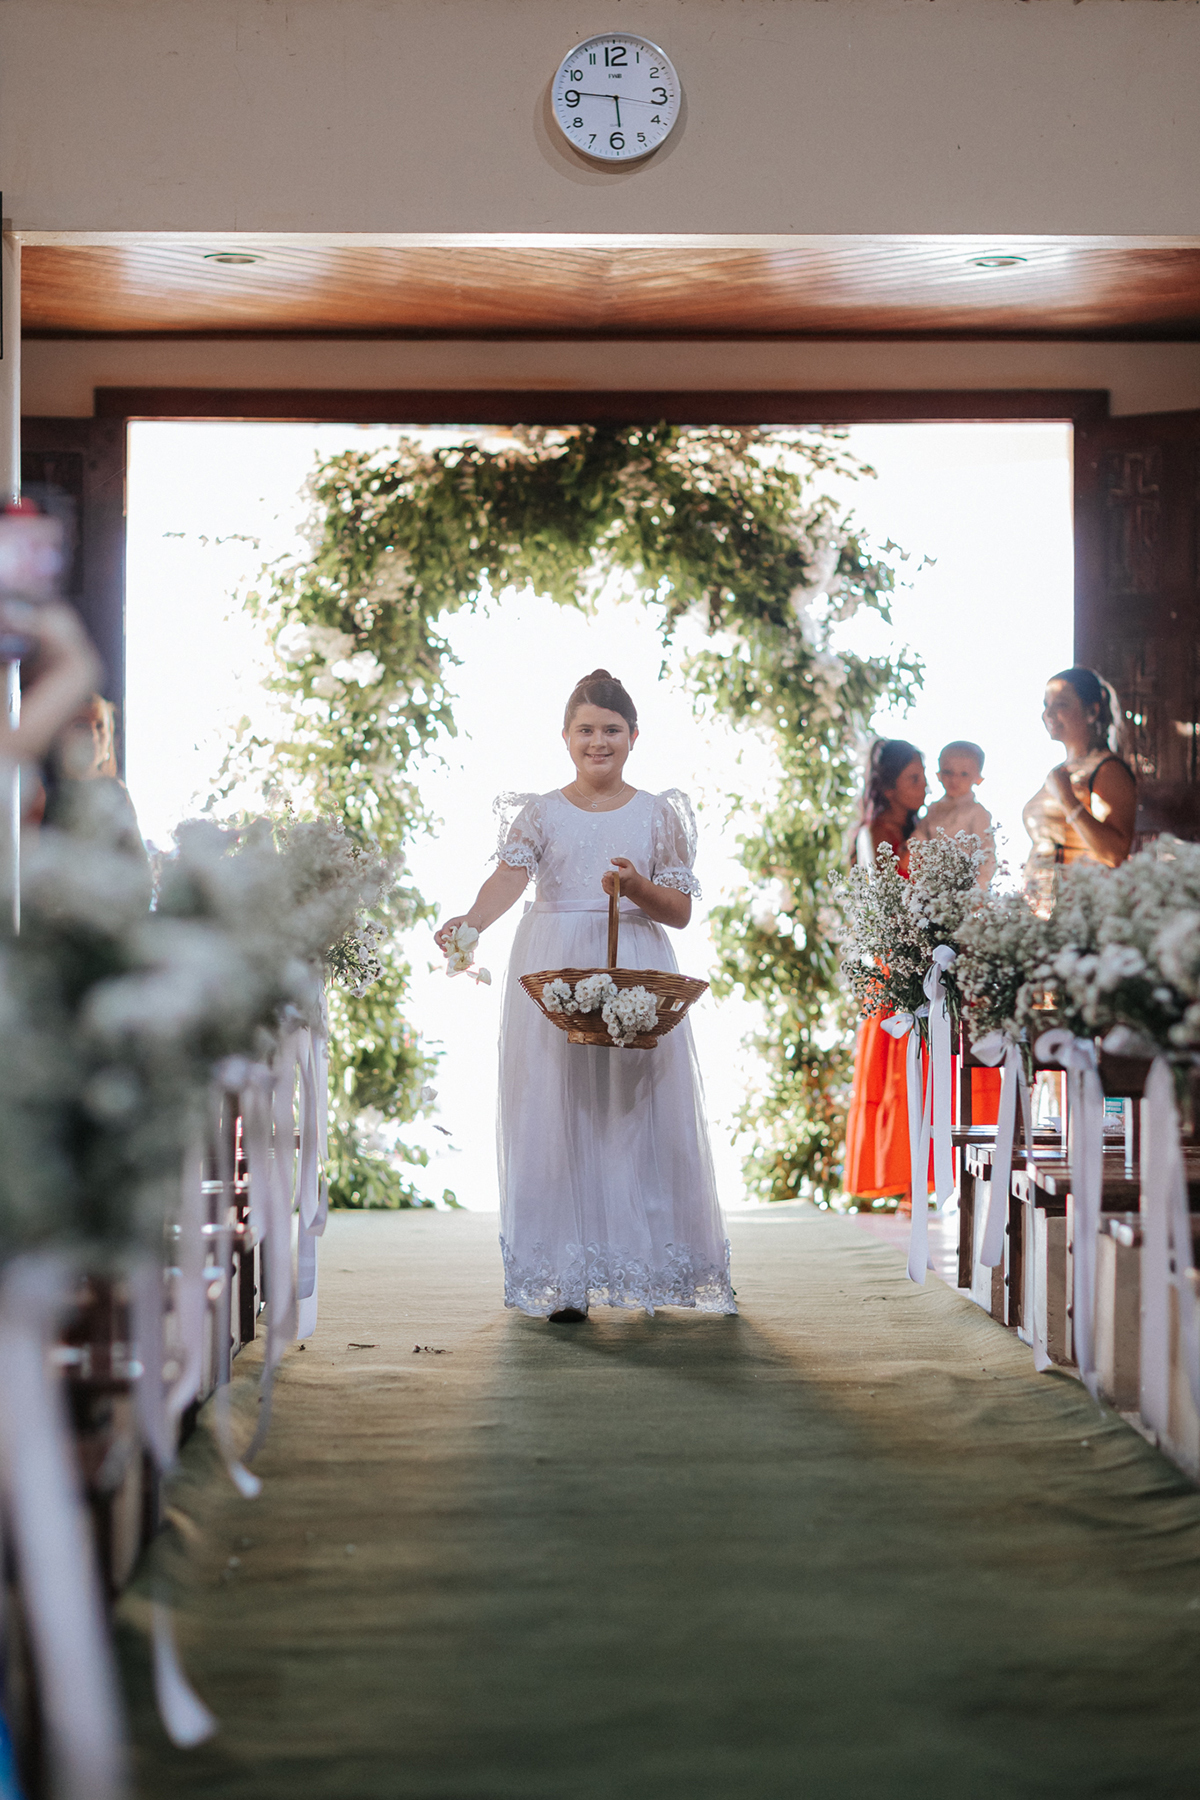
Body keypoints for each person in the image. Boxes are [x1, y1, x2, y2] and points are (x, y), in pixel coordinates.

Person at [434, 668, 735, 1324]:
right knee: (554, 1109)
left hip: (632, 962)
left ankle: (648, 1264)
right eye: (586, 730)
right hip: (556, 969)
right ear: (565, 736)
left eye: (612, 730)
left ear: (634, 736)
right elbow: (508, 879)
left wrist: (637, 887)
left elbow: (680, 911)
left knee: (634, 1112)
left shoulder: (657, 813)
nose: (599, 742)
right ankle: (565, 1275)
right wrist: (471, 923)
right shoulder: (541, 811)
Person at [843, 739, 926, 1210]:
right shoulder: (874, 832)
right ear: (889, 786)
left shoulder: (924, 828)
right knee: (897, 1068)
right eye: (914, 778)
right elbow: (883, 900)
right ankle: (902, 1178)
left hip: (926, 954)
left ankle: (926, 1178)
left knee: (927, 1065)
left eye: (923, 777)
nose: (924, 786)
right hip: (894, 959)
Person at [1022, 667, 1136, 915]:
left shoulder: (1107, 769)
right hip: (1039, 912)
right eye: (1046, 705)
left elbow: (1114, 854)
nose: (1048, 713)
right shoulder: (1060, 772)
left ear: (1092, 711)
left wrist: (1067, 798)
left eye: (1061, 704)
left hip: (1077, 912)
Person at [913, 739, 996, 885]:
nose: (954, 779)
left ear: (978, 778)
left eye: (964, 774)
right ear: (938, 774)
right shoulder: (933, 809)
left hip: (964, 887)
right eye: (948, 772)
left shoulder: (977, 813)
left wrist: (977, 891)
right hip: (931, 883)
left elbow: (986, 856)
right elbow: (918, 839)